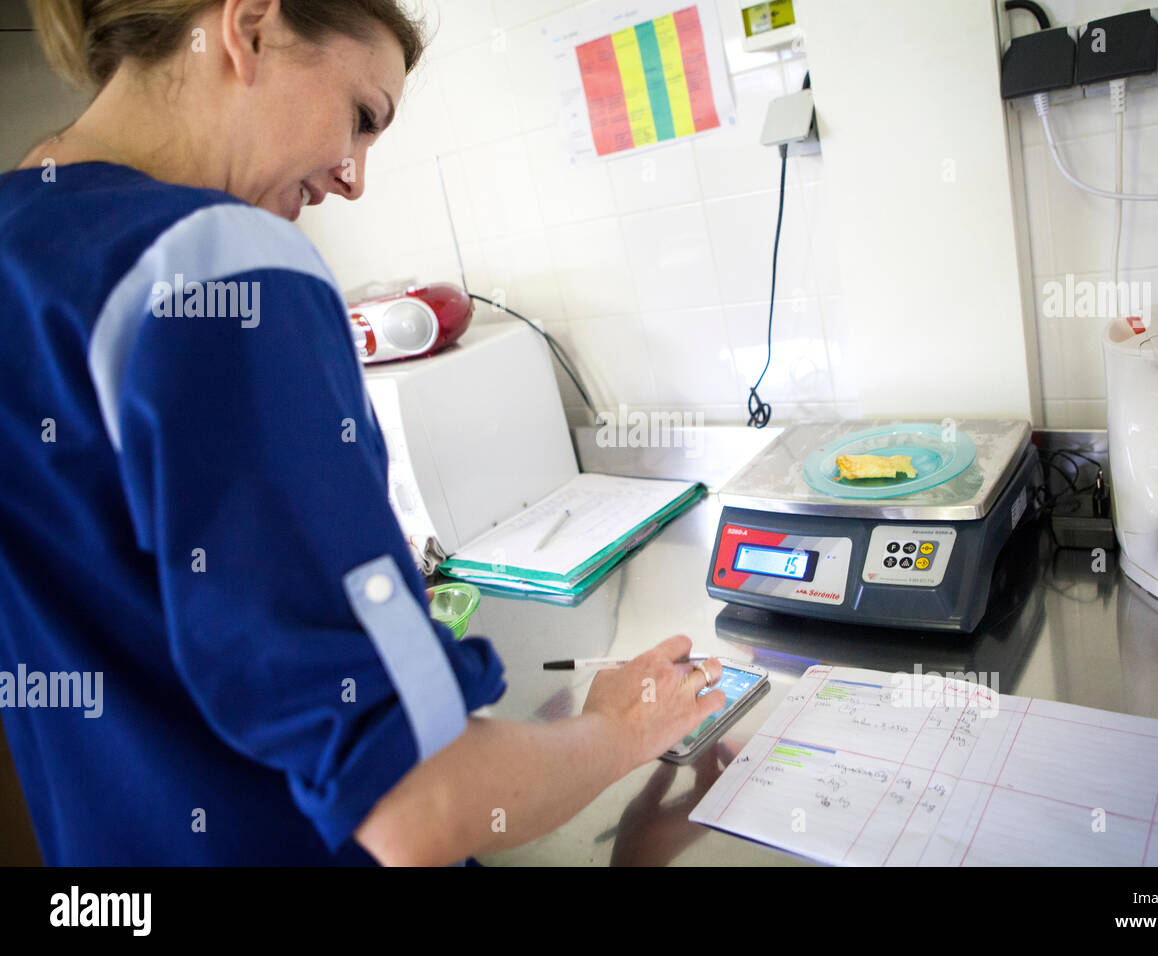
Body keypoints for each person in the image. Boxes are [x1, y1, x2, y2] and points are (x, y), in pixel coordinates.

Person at [0, 0, 723, 866]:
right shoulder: (224, 268)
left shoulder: (23, 244)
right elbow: (419, 803)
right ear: (252, 25)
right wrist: (618, 730)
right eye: (363, 117)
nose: (355, 178)